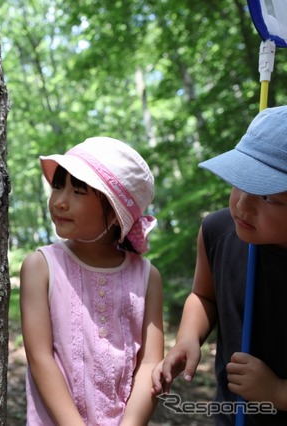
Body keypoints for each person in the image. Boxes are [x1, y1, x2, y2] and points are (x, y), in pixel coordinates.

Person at [151, 106, 287, 425]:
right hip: (232, 413)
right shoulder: (218, 231)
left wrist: (279, 392)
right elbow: (204, 295)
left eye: (267, 196)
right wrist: (187, 337)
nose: (241, 205)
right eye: (239, 181)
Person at [21, 136, 164, 425]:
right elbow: (40, 358)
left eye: (78, 191)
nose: (60, 202)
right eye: (58, 187)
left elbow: (150, 363)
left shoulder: (147, 276)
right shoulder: (41, 266)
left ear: (115, 213)